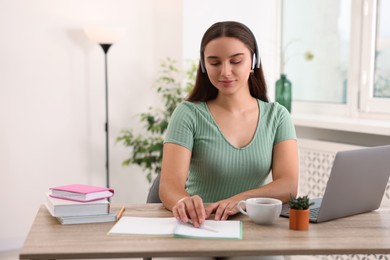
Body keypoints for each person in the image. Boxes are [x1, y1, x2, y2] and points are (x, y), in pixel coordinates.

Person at [159, 21, 298, 233]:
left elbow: (288, 185)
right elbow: (169, 184)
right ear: (204, 66)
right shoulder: (188, 114)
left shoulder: (277, 116)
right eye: (214, 63)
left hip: (254, 227)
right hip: (199, 225)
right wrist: (183, 201)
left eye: (236, 61)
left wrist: (240, 200)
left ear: (253, 61)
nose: (225, 72)